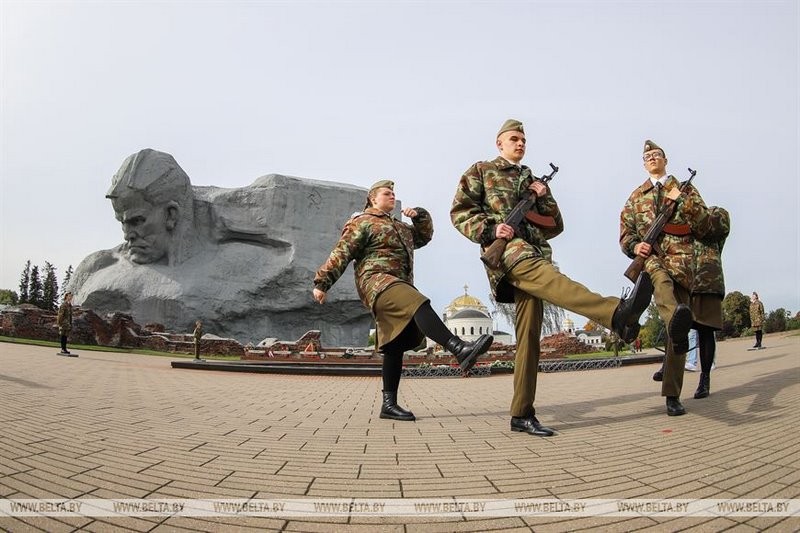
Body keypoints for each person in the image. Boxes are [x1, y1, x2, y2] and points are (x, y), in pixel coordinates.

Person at [450, 119, 651, 436]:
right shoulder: (481, 170)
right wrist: (490, 230)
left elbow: (554, 225)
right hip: (508, 254)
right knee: (559, 285)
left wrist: (542, 196)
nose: (520, 144)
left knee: (529, 338)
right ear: (499, 143)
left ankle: (521, 414)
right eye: (514, 139)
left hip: (536, 252)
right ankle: (615, 312)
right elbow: (460, 211)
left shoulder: (531, 179)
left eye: (524, 140)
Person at [313, 180, 493, 422]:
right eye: (387, 193)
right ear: (372, 199)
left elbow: (423, 237)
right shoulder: (363, 222)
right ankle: (458, 347)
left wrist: (420, 216)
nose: (392, 196)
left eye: (393, 193)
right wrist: (322, 283)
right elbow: (342, 251)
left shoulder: (400, 227)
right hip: (376, 281)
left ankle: (389, 405)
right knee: (417, 301)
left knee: (394, 345)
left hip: (397, 284)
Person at [620, 139, 715, 416]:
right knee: (669, 302)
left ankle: (672, 395)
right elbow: (626, 232)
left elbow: (704, 223)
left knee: (677, 326)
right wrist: (635, 247)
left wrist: (682, 200)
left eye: (656, 154)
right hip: (651, 261)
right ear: (643, 163)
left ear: (665, 159)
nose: (652, 158)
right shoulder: (636, 196)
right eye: (647, 155)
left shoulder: (684, 189)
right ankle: (636, 315)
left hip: (682, 264)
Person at [688, 206, 730, 398]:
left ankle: (705, 379)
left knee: (706, 332)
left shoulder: (717, 214)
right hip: (686, 283)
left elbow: (721, 225)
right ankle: (669, 368)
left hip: (709, 283)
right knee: (677, 328)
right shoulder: (685, 221)